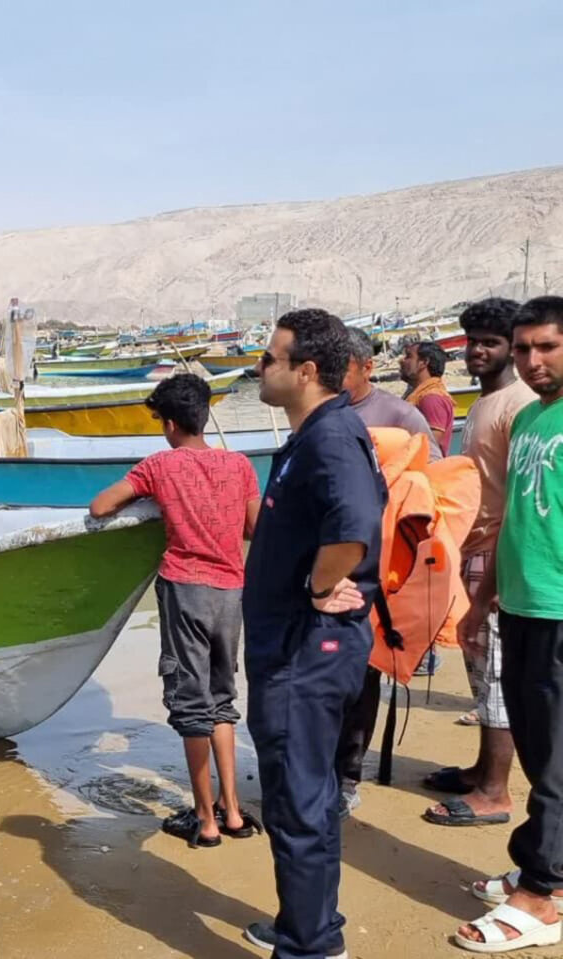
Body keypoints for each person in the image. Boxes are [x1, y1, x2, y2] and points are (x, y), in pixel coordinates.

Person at [241, 309, 386, 959]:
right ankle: (309, 920)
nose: (260, 368)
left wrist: (322, 587)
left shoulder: (330, 437)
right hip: (292, 646)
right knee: (305, 793)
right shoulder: (309, 435)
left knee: (298, 799)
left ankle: (310, 946)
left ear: (304, 371)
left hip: (306, 649)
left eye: (270, 358)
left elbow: (353, 528)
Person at [89, 374, 261, 848]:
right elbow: (255, 528)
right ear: (204, 416)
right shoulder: (240, 465)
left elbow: (101, 506)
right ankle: (231, 811)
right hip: (231, 591)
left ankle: (204, 820)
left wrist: (153, 498)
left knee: (191, 707)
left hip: (185, 589)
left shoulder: (159, 467)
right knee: (223, 701)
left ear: (168, 424)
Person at [456, 296, 563, 952]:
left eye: (547, 347)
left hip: (559, 611)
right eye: (524, 349)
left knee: (556, 754)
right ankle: (542, 861)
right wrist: (480, 598)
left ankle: (544, 892)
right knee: (534, 744)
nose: (532, 361)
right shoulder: (529, 419)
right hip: (519, 605)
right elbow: (516, 521)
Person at [424, 298, 534, 829]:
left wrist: (495, 576)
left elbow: (520, 496)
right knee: (476, 666)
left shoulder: (518, 403)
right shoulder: (483, 402)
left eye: (489, 342)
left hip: (497, 553)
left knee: (496, 674)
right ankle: (480, 769)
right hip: (471, 548)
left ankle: (495, 791)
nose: (476, 351)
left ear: (511, 347)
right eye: (472, 341)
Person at [334, 326, 442, 820]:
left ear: (366, 367)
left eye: (343, 367)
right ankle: (316, 767)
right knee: (322, 676)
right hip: (325, 569)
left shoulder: (401, 414)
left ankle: (347, 775)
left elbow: (432, 480)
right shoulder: (319, 414)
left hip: (379, 575)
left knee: (363, 676)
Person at [343, 328, 441, 460]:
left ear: (366, 368)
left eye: (341, 370)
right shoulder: (317, 410)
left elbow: (432, 462)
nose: (401, 360)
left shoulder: (407, 412)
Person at [400, 340, 456, 454]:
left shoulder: (431, 398)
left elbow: (429, 446)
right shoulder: (418, 394)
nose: (401, 361)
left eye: (408, 356)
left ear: (423, 362)